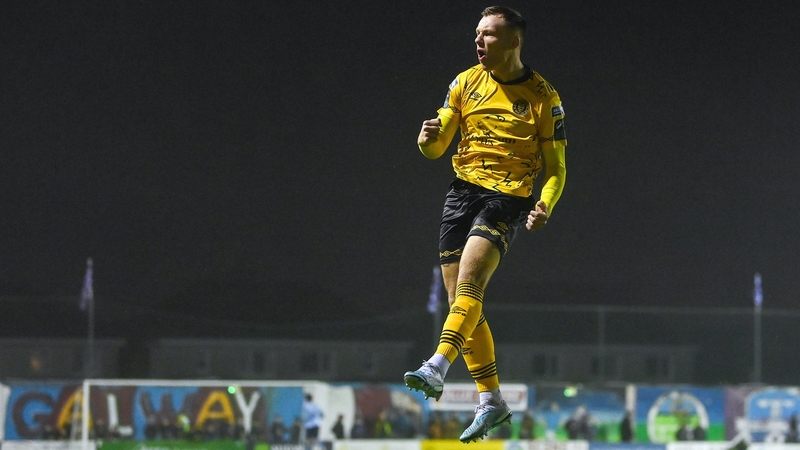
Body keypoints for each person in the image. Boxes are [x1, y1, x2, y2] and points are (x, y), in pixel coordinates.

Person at [403, 5, 567, 444]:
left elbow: (556, 168)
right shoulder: (463, 83)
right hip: (461, 194)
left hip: (507, 198)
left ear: (514, 41)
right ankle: (491, 400)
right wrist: (426, 141)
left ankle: (437, 366)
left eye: (489, 34)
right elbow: (437, 148)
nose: (479, 41)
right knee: (463, 303)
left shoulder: (542, 97)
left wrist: (544, 204)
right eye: (477, 33)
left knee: (470, 288)